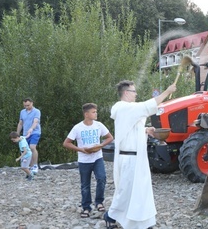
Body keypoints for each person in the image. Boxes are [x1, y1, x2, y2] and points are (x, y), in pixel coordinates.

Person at [104, 80, 176, 229]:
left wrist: (145, 130)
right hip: (129, 158)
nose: (136, 94)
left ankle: (143, 222)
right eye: (134, 91)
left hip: (136, 157)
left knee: (140, 191)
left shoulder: (126, 110)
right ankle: (110, 216)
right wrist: (168, 92)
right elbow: (147, 106)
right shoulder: (124, 108)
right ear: (126, 93)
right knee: (125, 192)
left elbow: (129, 129)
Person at [63, 103, 114, 218]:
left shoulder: (99, 125)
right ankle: (86, 207)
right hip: (84, 160)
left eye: (96, 111)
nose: (96, 114)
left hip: (97, 158)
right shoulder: (77, 128)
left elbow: (110, 137)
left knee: (102, 178)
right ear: (86, 114)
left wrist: (101, 145)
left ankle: (99, 202)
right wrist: (80, 149)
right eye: (93, 112)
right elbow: (66, 143)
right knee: (85, 185)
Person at [16, 98, 41, 174]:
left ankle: (35, 166)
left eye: (28, 105)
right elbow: (20, 123)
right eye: (25, 105)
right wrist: (17, 134)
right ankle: (29, 166)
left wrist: (31, 129)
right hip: (25, 134)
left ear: (32, 103)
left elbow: (35, 121)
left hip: (35, 132)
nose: (26, 107)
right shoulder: (22, 112)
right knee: (26, 149)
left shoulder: (36, 111)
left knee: (32, 147)